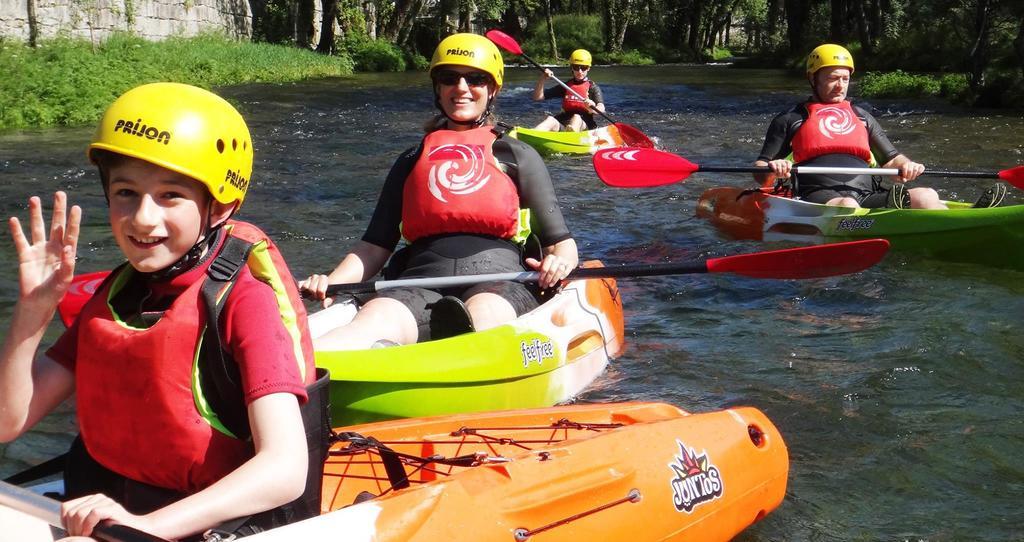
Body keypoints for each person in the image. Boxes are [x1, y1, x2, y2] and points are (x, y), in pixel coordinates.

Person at [0, 82, 327, 541]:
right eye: (126, 192)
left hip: (200, 526)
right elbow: (7, 421)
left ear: (220, 206)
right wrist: (33, 312)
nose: (142, 219)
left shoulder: (244, 301)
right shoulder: (116, 295)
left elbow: (286, 468)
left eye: (170, 195)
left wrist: (147, 527)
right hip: (103, 515)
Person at [302, 33, 578, 350]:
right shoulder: (411, 159)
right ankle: (315, 371)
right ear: (438, 88)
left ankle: (461, 346)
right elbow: (373, 247)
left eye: (475, 79)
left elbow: (561, 244)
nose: (461, 88)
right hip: (418, 281)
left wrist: (560, 263)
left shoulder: (516, 154)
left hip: (500, 281)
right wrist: (331, 281)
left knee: (485, 315)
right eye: (450, 78)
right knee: (375, 317)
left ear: (493, 89)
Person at [753, 43, 1005, 210]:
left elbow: (892, 159)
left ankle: (966, 220)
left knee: (926, 195)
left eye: (845, 79)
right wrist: (775, 167)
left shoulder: (861, 117)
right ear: (812, 79)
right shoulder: (791, 119)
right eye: (831, 78)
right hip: (817, 199)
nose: (840, 85)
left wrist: (907, 165)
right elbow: (760, 171)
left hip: (866, 194)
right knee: (848, 206)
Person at [532, 49, 606, 132]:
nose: (580, 71)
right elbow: (538, 97)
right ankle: (529, 135)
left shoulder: (593, 87)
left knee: (576, 117)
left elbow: (601, 108)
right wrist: (542, 78)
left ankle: (571, 135)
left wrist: (592, 108)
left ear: (588, 68)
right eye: (576, 67)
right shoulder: (566, 86)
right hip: (564, 123)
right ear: (572, 68)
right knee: (550, 120)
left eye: (583, 68)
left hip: (584, 125)